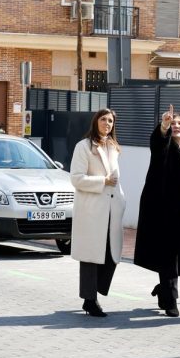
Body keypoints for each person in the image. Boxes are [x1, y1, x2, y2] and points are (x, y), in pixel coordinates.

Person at [134, 104, 180, 317]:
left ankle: (163, 288)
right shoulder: (165, 149)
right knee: (169, 256)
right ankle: (171, 300)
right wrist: (163, 127)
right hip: (165, 214)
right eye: (173, 123)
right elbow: (157, 144)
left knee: (179, 256)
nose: (176, 126)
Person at [69, 108, 126, 317]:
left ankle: (96, 291)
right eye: (103, 119)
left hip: (111, 209)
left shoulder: (113, 147)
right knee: (90, 256)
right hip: (91, 210)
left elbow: (116, 179)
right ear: (96, 121)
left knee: (111, 253)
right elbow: (76, 178)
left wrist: (122, 200)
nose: (107, 124)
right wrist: (103, 181)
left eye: (110, 121)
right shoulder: (83, 146)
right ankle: (89, 300)